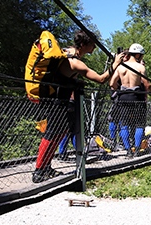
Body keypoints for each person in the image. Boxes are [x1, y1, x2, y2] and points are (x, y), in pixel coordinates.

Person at [32, 30, 123, 183]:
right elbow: (101, 79)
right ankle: (39, 171)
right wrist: (115, 64)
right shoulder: (75, 62)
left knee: (57, 134)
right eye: (93, 44)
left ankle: (45, 167)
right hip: (59, 102)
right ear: (84, 44)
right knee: (52, 135)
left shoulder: (66, 52)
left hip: (54, 100)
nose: (94, 47)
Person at [110, 43, 151, 158]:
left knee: (124, 125)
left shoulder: (120, 67)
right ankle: (137, 150)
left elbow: (112, 84)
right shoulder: (140, 67)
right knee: (139, 124)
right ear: (138, 55)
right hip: (137, 97)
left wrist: (120, 90)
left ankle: (128, 151)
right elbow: (147, 85)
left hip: (123, 97)